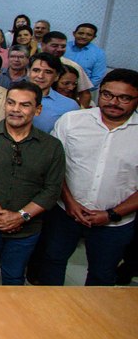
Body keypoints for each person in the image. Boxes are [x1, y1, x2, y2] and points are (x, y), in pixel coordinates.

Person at [39, 69, 138, 286]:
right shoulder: (72, 121)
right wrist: (70, 202)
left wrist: (111, 214)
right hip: (65, 213)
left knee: (102, 275)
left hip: (115, 222)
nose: (114, 102)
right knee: (52, 263)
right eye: (107, 94)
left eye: (124, 98)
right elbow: (55, 168)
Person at [0, 81, 65, 285]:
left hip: (27, 227)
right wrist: (0, 216)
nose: (15, 110)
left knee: (14, 274)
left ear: (38, 110)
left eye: (24, 105)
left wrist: (20, 217)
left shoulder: (52, 146)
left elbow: (52, 190)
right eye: (11, 103)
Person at [28, 53, 79, 133]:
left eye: (48, 72)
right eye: (36, 70)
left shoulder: (70, 106)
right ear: (28, 72)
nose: (40, 76)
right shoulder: (10, 96)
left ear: (57, 76)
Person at [41, 31, 93, 107]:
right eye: (55, 46)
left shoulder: (73, 66)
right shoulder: (32, 63)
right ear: (43, 45)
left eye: (63, 46)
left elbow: (85, 94)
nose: (59, 49)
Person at [64, 23, 107, 91]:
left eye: (89, 35)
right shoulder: (63, 47)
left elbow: (97, 77)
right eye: (81, 33)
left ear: (94, 37)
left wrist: (82, 91)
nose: (84, 36)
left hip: (81, 92)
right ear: (74, 33)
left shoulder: (99, 53)